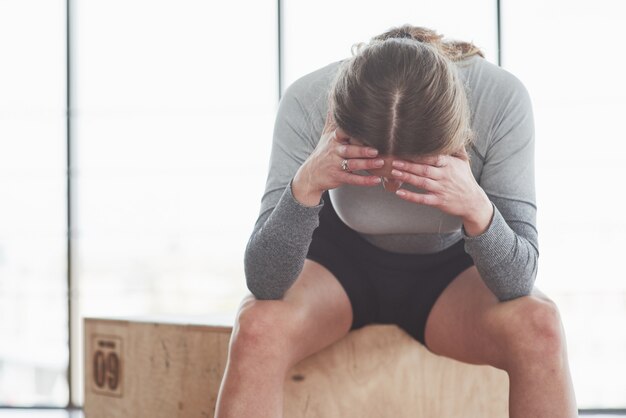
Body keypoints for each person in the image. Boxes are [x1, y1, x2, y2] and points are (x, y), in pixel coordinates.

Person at [215, 25, 577, 418]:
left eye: (411, 170)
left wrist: (477, 206)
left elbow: (518, 282)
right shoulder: (307, 100)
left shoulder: (499, 98)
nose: (389, 186)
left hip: (453, 274)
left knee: (541, 328)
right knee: (257, 327)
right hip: (335, 268)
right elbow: (265, 282)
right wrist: (304, 185)